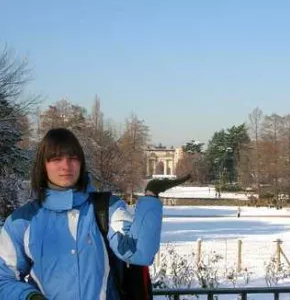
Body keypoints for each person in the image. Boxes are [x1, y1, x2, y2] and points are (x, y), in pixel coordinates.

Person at [0, 128, 191, 300]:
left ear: (81, 163)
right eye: (56, 159)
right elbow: (3, 279)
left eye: (73, 158)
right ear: (43, 165)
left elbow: (139, 253)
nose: (66, 166)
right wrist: (30, 297)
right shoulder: (22, 221)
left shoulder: (107, 208)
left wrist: (150, 198)